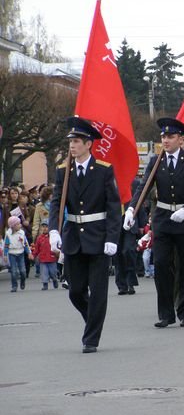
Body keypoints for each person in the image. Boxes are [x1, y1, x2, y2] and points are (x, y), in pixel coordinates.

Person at [48, 117, 121, 353]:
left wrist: (112, 237)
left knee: (98, 292)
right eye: (70, 141)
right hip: (73, 239)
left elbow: (112, 206)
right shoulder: (63, 172)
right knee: (76, 291)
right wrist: (53, 230)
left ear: (89, 144)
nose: (72, 145)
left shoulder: (103, 170)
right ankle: (94, 319)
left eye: (77, 141)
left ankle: (91, 338)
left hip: (98, 237)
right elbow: (57, 203)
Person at [125, 118, 184, 328]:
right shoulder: (155, 161)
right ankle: (166, 313)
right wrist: (132, 209)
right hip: (163, 219)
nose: (166, 140)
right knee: (161, 264)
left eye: (170, 136)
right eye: (163, 136)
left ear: (181, 140)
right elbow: (143, 187)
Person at [3, 215, 33, 292]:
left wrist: (29, 252)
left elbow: (25, 243)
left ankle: (22, 281)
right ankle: (14, 286)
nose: (20, 225)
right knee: (14, 271)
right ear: (13, 226)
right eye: (18, 224)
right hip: (12, 253)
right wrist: (5, 255)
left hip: (20, 253)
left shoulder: (22, 233)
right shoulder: (8, 234)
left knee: (23, 271)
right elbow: (6, 245)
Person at [32, 220, 59, 289]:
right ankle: (45, 284)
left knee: (53, 273)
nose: (45, 228)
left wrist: (58, 253)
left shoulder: (53, 237)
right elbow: (37, 248)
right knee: (44, 273)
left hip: (52, 258)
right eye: (43, 227)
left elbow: (58, 246)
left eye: (46, 227)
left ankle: (54, 280)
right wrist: (33, 255)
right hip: (43, 259)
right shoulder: (39, 238)